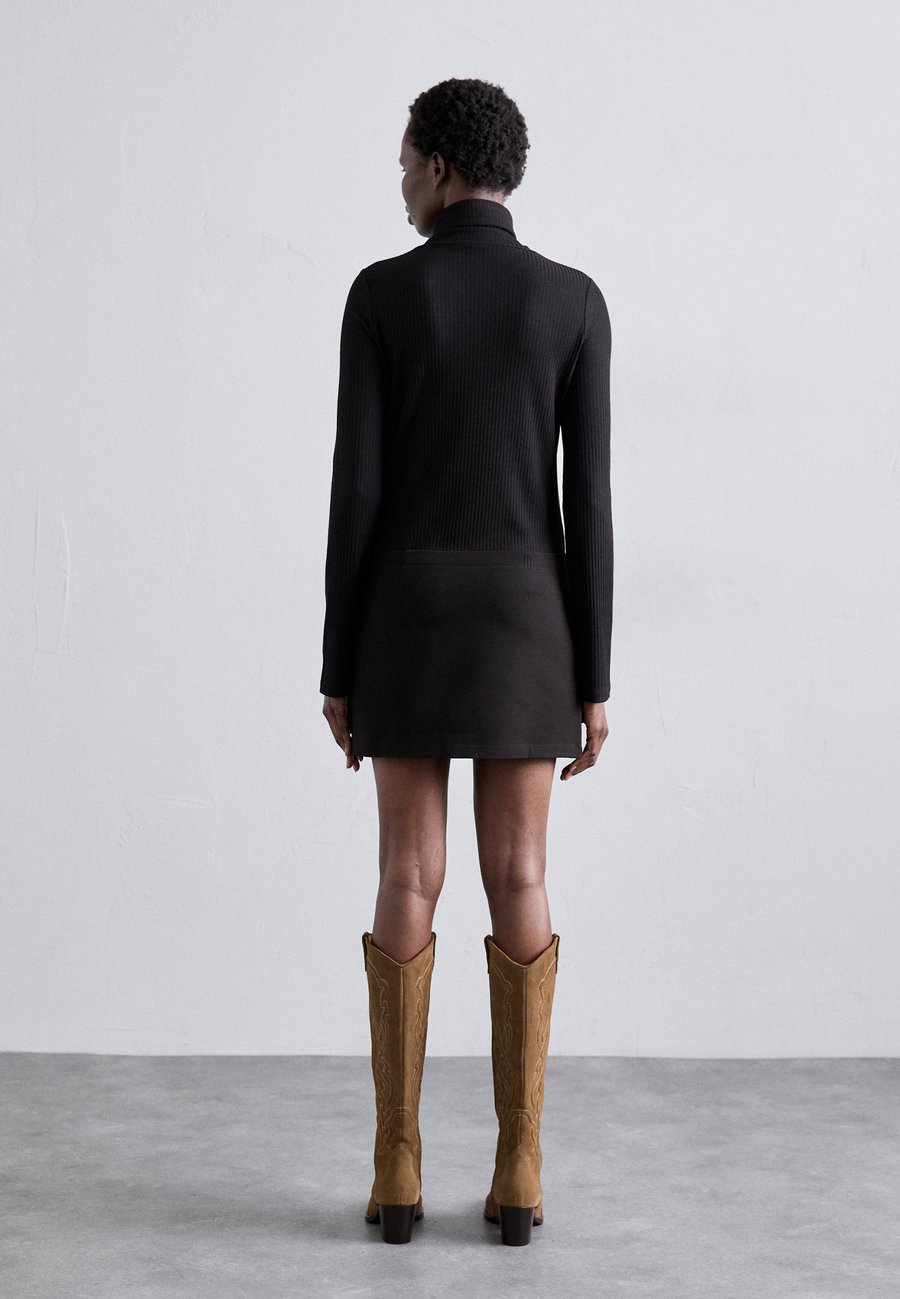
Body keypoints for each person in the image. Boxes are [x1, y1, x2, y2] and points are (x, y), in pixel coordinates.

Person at [319, 77, 613, 1246]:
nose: (400, 182)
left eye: (406, 163)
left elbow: (356, 491)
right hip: (529, 624)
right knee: (521, 874)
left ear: (441, 166)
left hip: (405, 615)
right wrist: (595, 676)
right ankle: (520, 1165)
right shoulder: (571, 300)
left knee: (408, 872)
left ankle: (396, 1169)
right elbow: (587, 505)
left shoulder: (382, 295)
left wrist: (337, 663)